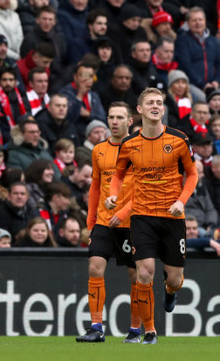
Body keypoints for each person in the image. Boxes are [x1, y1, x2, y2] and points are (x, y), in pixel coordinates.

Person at [106, 87, 198, 344]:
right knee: (144, 273)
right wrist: (113, 194)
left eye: (159, 102)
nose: (156, 106)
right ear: (140, 109)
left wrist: (181, 201)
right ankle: (150, 332)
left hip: (172, 217)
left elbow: (192, 174)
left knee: (176, 278)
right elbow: (118, 176)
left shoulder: (179, 139)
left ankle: (170, 291)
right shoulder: (129, 143)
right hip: (142, 217)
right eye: (150, 103)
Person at [76, 101, 141, 343]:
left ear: (130, 121)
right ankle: (96, 327)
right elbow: (95, 185)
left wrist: (124, 212)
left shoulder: (139, 149)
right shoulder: (98, 149)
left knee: (135, 277)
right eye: (111, 117)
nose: (114, 122)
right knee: (94, 266)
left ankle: (135, 330)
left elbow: (145, 189)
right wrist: (91, 218)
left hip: (133, 222)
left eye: (119, 118)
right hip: (104, 220)